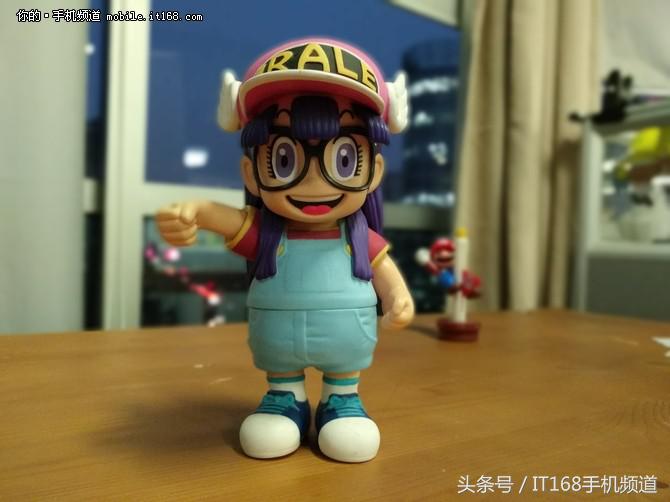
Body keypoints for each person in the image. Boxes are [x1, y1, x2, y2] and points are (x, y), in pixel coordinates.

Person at [156, 38, 414, 463]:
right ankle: (285, 399)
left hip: (345, 349)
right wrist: (194, 212)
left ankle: (341, 401)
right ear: (251, 173)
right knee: (273, 417)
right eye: (284, 159)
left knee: (347, 422)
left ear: (374, 171)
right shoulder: (267, 234)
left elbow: (384, 270)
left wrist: (398, 297)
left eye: (344, 159)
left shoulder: (357, 236)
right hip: (281, 349)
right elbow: (219, 217)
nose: (314, 183)